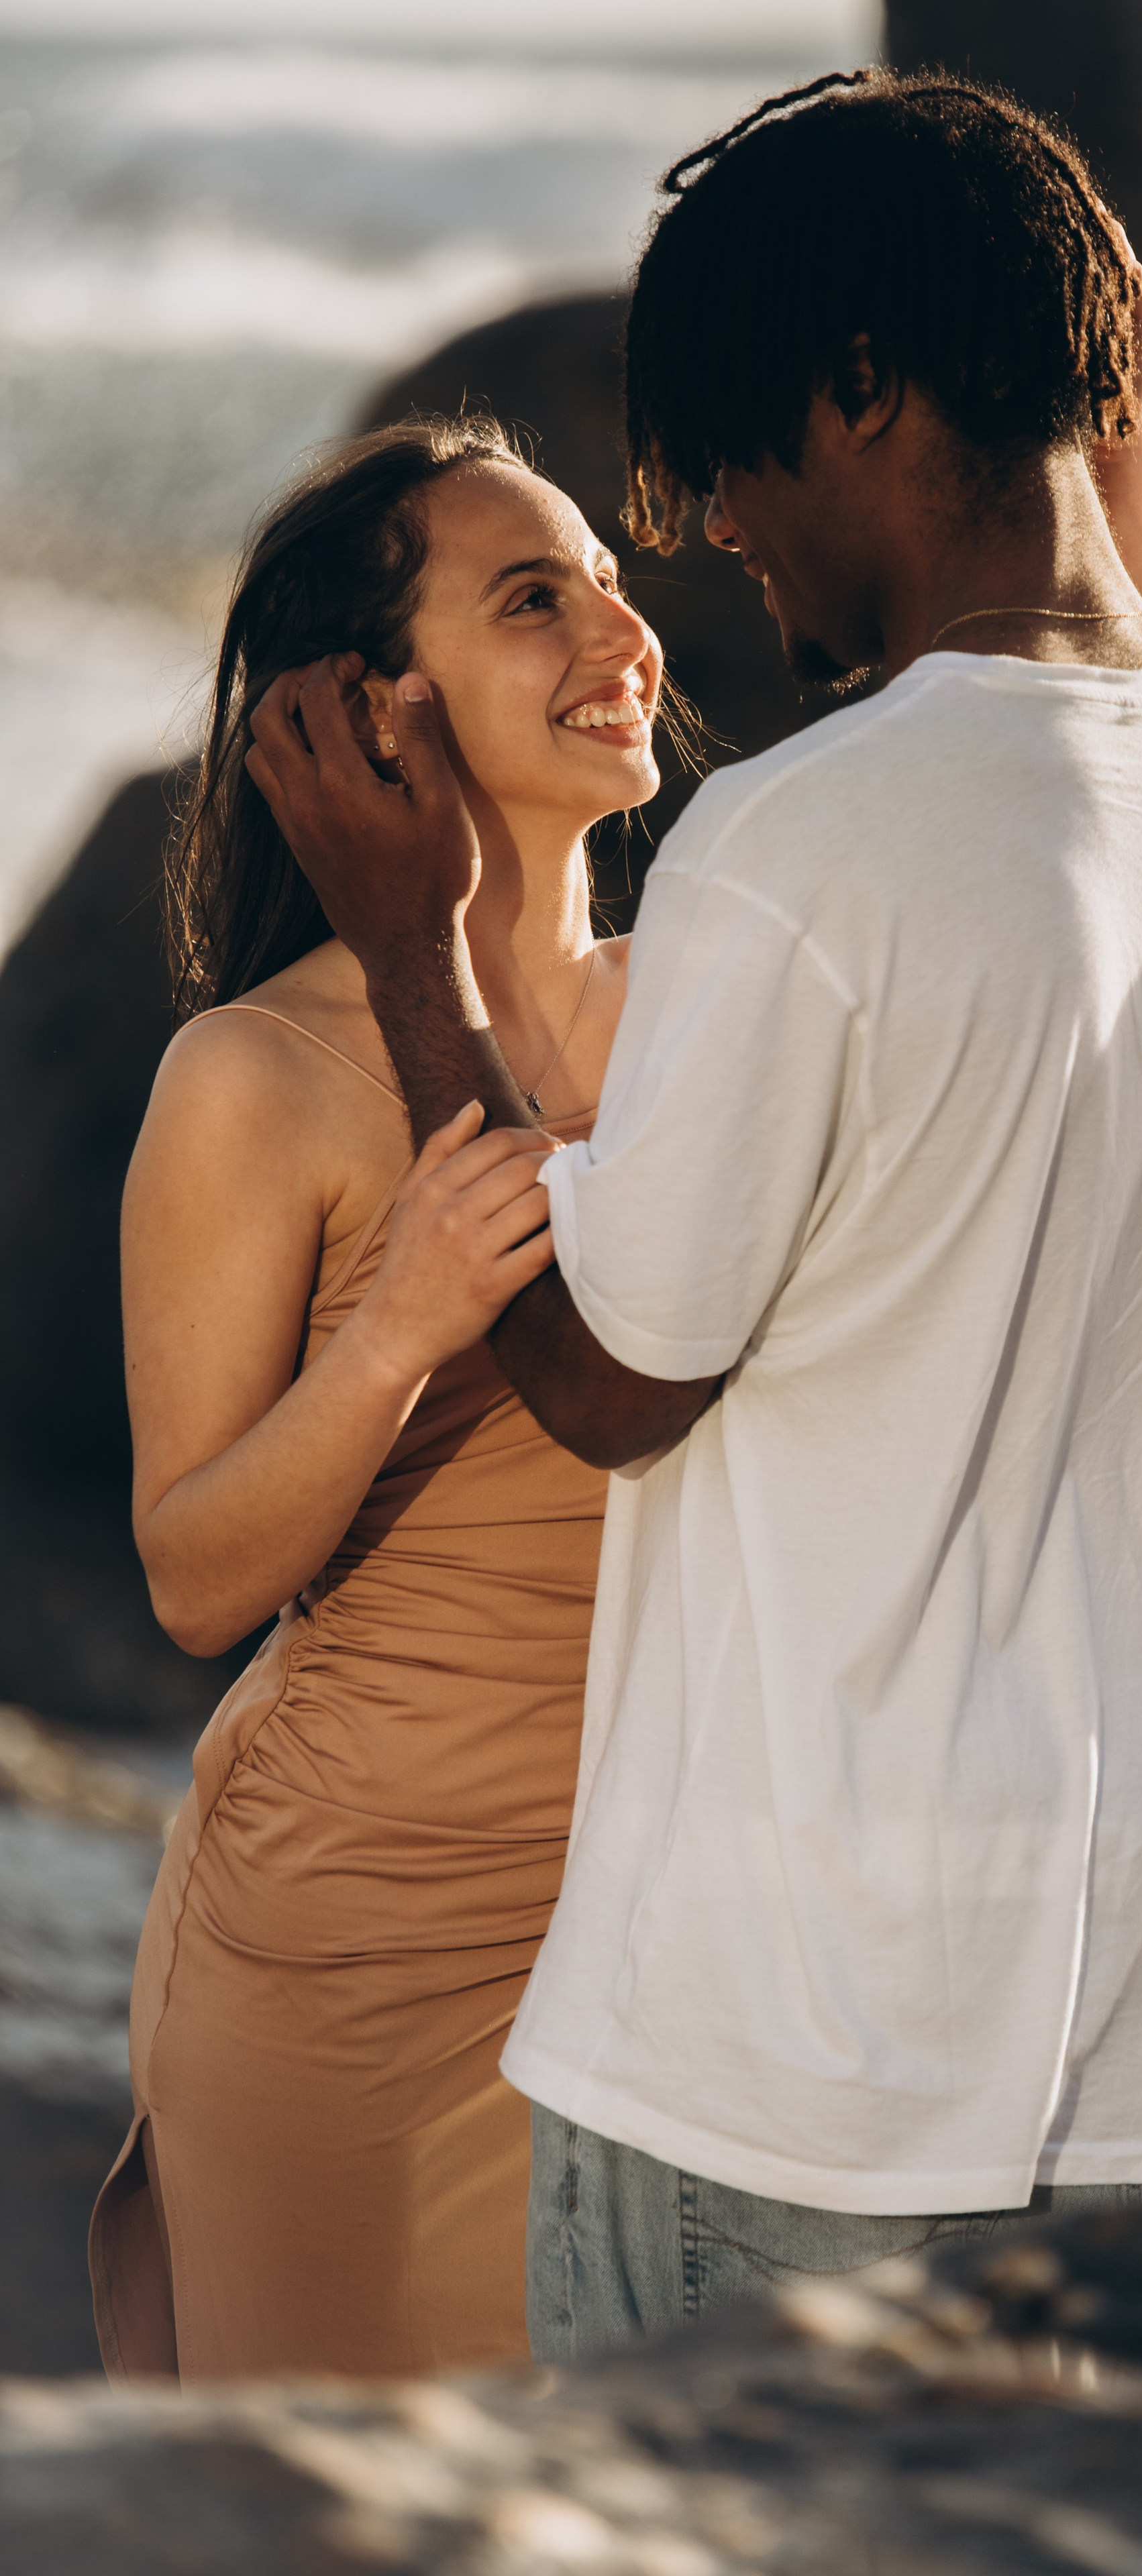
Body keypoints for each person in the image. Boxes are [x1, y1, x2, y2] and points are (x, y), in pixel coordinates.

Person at [248, 70, 1142, 2361]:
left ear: (861, 392)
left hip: (800, 2082)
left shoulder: (804, 845)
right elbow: (1084, 948)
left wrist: (411, 947)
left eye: (720, 473)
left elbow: (604, 1375)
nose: (722, 549)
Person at [89, 413, 674, 2380]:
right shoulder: (253, 1078)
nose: (620, 623)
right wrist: (396, 1326)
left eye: (608, 573)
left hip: (689, 1937)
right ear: (377, 714)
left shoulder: (726, 1010)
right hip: (359, 1946)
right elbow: (191, 1577)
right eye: (535, 597)